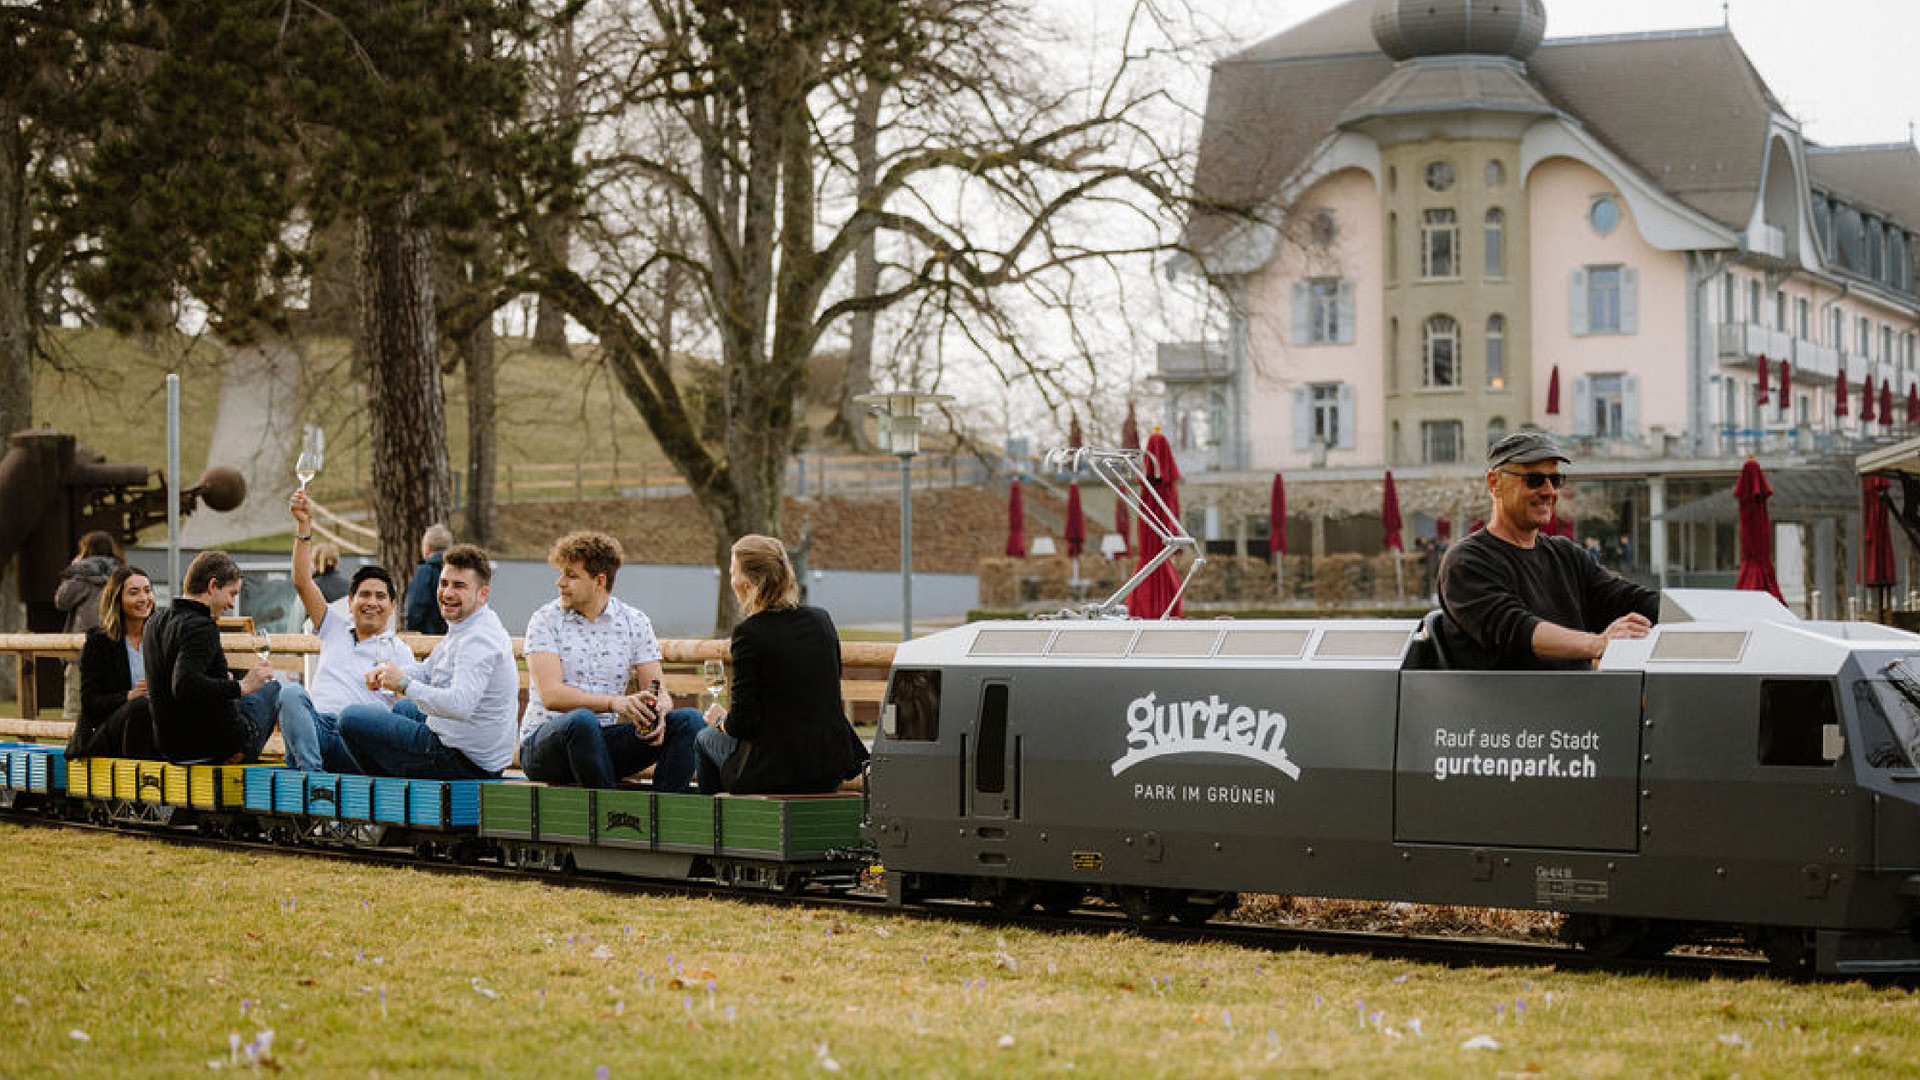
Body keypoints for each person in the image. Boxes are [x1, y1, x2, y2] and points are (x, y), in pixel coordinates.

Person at [1436, 432, 1659, 670]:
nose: (1549, 491)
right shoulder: (1466, 562)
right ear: (1494, 483)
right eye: (1534, 479)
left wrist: (1691, 611)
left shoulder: (1566, 554)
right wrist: (1598, 643)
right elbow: (1517, 629)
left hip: (1578, 699)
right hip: (1509, 703)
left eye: (1555, 480)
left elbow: (1625, 599)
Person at [517, 531, 702, 791]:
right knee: (581, 721)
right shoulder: (545, 620)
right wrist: (614, 703)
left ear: (599, 581)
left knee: (690, 721)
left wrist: (658, 711)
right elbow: (551, 695)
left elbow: (657, 690)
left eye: (571, 575)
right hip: (545, 748)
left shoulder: (634, 621)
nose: (560, 582)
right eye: (561, 573)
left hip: (599, 746)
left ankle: (664, 815)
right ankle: (611, 818)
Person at [696, 535, 869, 794]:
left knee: (704, 739)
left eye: (732, 573)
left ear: (748, 583)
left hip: (777, 769)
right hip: (829, 761)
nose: (731, 581)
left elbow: (743, 723)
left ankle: (716, 828)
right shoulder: (821, 620)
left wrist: (721, 721)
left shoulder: (749, 633)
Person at [337, 543, 517, 779]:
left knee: (351, 719)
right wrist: (385, 672)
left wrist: (403, 684)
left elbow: (460, 704)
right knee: (403, 708)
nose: (447, 593)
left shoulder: (478, 640)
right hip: (463, 744)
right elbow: (428, 671)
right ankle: (398, 789)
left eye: (459, 586)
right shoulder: (467, 625)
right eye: (444, 583)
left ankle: (387, 797)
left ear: (482, 594)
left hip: (463, 761)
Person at [273, 490, 414, 772]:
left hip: (357, 743)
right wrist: (303, 526)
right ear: (350, 603)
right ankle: (312, 779)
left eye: (379, 596)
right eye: (364, 595)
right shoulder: (333, 626)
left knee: (359, 721)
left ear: (392, 605)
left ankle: (308, 779)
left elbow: (405, 710)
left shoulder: (399, 650)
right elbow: (302, 582)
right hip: (318, 730)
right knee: (290, 693)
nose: (371, 602)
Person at [145, 550, 281, 764]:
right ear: (212, 586)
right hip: (215, 747)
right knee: (274, 689)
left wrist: (223, 682)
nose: (232, 604)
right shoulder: (201, 626)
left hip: (170, 748)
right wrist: (242, 685)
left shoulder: (154, 622)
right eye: (232, 593)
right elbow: (184, 685)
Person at [67, 565, 161, 759]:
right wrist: (129, 696)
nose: (143, 599)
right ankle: (133, 781)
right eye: (134, 593)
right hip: (106, 730)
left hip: (155, 726)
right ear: (117, 598)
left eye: (147, 591)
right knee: (140, 707)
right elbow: (90, 702)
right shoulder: (99, 642)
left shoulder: (161, 637)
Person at [55, 531, 122, 719]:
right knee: (110, 707)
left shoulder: (80, 576)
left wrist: (73, 568)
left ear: (85, 550)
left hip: (79, 650)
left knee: (74, 709)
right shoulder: (120, 574)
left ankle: (75, 747)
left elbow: (61, 601)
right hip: (113, 649)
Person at [403, 523, 453, 635]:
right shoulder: (456, 572)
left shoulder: (425, 571)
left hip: (427, 638)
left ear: (428, 547)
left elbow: (415, 609)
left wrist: (409, 632)